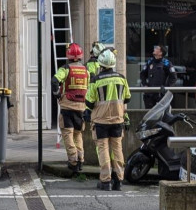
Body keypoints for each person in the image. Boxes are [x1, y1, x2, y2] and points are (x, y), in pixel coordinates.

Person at [85, 48, 130, 191]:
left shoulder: (95, 80)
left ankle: (106, 181)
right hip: (118, 119)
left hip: (101, 121)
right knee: (117, 149)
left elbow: (89, 102)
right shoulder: (122, 78)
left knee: (103, 148)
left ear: (100, 64)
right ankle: (119, 180)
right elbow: (127, 98)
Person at [51, 43, 90, 173]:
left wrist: (57, 94)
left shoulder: (66, 69)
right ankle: (81, 160)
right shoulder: (86, 70)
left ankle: (72, 162)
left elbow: (54, 81)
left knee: (68, 134)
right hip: (81, 107)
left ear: (69, 56)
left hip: (67, 106)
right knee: (78, 134)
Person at [139, 45, 177, 109]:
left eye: (157, 48)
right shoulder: (150, 62)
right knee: (149, 113)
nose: (155, 49)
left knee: (162, 113)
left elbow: (173, 77)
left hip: (161, 94)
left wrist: (167, 87)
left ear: (160, 53)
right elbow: (142, 74)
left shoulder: (166, 63)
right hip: (150, 93)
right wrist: (144, 84)